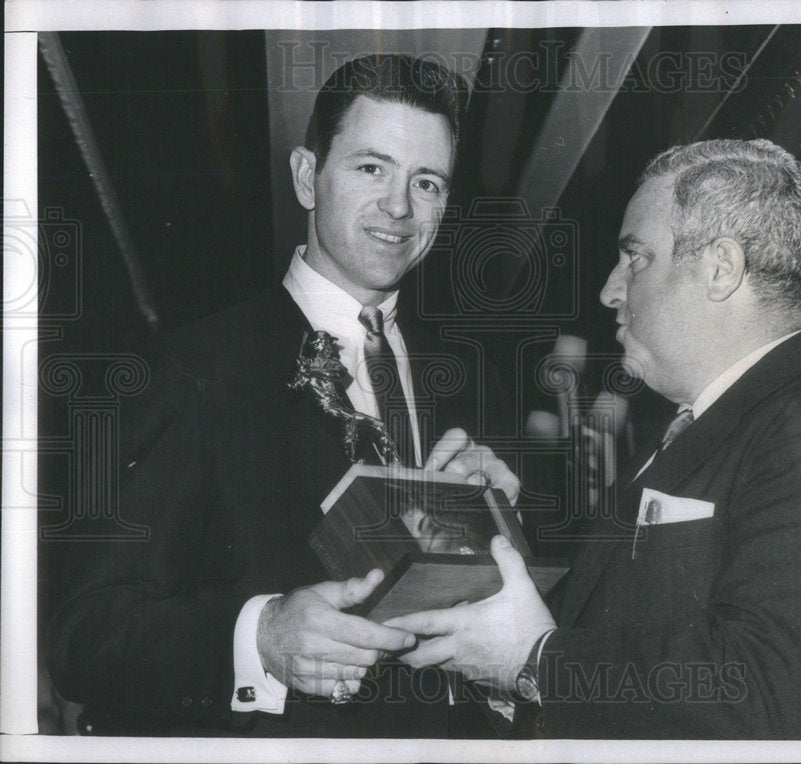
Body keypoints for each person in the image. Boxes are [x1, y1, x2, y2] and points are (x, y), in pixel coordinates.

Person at [387, 139, 801, 739]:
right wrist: (492, 540)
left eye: (635, 258)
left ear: (721, 269)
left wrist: (537, 661)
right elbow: (615, 637)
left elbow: (767, 696)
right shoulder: (679, 435)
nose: (610, 291)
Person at [47, 54, 516, 737]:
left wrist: (501, 547)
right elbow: (84, 636)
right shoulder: (190, 368)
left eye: (428, 183)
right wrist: (260, 638)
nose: (400, 207)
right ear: (306, 176)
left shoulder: (476, 380)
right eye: (371, 167)